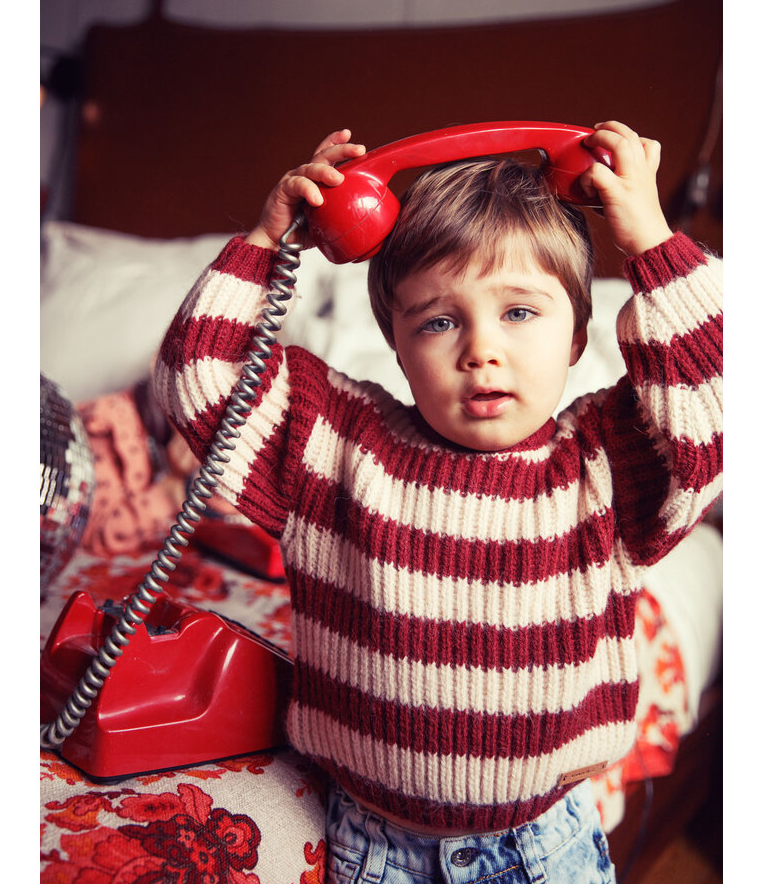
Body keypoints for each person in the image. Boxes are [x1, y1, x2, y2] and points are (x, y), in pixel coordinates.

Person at [153, 121, 722, 883]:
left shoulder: (607, 463)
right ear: (396, 341)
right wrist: (266, 240)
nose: (480, 349)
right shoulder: (334, 441)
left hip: (542, 847)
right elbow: (198, 378)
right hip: (374, 848)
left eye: (519, 312)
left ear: (580, 336)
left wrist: (650, 239)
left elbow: (716, 411)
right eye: (440, 320)